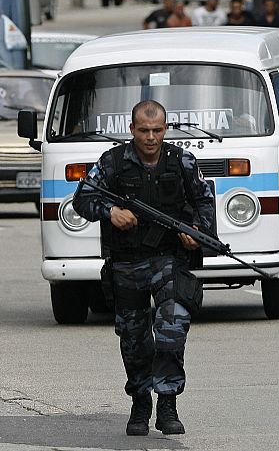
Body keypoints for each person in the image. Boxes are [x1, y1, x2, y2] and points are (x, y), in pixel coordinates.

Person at [72, 100, 215, 437]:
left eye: (157, 130)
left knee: (172, 326)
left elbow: (205, 203)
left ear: (165, 130)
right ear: (132, 129)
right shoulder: (112, 162)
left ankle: (167, 403)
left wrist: (197, 232)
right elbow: (82, 200)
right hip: (127, 263)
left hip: (168, 260)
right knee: (134, 339)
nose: (151, 137)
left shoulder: (181, 161)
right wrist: (110, 212)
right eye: (144, 130)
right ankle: (140, 402)